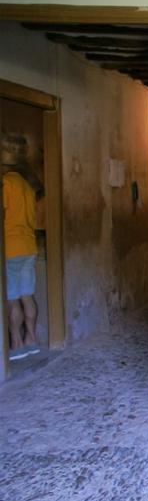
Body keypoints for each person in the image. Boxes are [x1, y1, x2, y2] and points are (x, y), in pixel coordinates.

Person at [2, 133, 41, 361]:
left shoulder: (6, 184)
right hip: (29, 246)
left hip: (10, 247)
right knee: (27, 295)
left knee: (12, 298)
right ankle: (32, 340)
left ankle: (16, 343)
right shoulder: (28, 185)